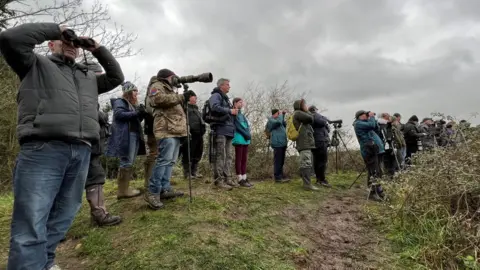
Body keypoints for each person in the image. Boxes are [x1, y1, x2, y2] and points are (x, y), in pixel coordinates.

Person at [0, 22, 124, 270]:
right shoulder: (34, 64)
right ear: (51, 44)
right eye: (64, 41)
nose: (71, 46)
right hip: (42, 149)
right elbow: (9, 38)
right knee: (32, 220)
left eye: (74, 44)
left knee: (64, 214)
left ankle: (44, 261)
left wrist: (97, 48)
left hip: (81, 151)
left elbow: (116, 77)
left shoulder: (87, 76)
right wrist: (57, 28)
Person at [144, 69, 191, 210]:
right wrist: (182, 97)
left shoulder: (169, 89)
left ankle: (165, 188)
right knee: (163, 161)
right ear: (167, 77)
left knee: (170, 161)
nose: (175, 79)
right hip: (165, 129)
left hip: (175, 130)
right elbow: (157, 100)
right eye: (173, 77)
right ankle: (152, 192)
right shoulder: (156, 85)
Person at [81, 61, 122, 227]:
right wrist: (101, 116)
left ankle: (96, 214)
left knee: (94, 177)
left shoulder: (90, 95)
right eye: (97, 77)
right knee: (94, 177)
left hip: (92, 146)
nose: (100, 81)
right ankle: (100, 216)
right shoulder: (80, 93)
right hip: (84, 145)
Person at [106, 81, 147, 200]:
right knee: (126, 161)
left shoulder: (131, 104)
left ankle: (124, 189)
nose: (136, 93)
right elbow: (119, 114)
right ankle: (123, 191)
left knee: (129, 161)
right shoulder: (120, 101)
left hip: (133, 134)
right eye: (134, 91)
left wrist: (141, 114)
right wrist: (136, 113)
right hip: (126, 135)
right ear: (128, 92)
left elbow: (134, 118)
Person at [209, 78, 237, 190]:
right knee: (220, 156)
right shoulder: (216, 96)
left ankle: (227, 178)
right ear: (221, 86)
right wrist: (230, 111)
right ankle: (218, 181)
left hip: (229, 131)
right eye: (227, 84)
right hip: (220, 130)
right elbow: (214, 107)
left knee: (229, 156)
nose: (229, 86)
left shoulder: (226, 99)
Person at [353, 110, 385, 201]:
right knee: (374, 172)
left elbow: (376, 128)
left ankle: (379, 190)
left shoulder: (366, 124)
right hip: (369, 151)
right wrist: (371, 117)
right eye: (365, 115)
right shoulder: (358, 124)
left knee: (378, 172)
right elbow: (371, 125)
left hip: (376, 150)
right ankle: (372, 193)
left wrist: (373, 119)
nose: (367, 116)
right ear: (360, 116)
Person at [292, 99, 319, 191]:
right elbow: (311, 118)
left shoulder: (299, 114)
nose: (306, 106)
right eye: (304, 105)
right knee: (306, 163)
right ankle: (307, 184)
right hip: (304, 142)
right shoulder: (298, 113)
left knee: (307, 162)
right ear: (300, 106)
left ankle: (307, 183)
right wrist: (307, 110)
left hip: (305, 142)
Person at [180, 91, 206, 179]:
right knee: (188, 153)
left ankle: (194, 172)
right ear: (189, 97)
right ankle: (187, 173)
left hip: (199, 135)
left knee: (198, 153)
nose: (196, 98)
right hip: (190, 135)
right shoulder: (185, 108)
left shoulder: (197, 110)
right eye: (194, 96)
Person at [232, 97, 253, 187]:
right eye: (240, 102)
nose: (242, 104)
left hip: (245, 139)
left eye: (242, 102)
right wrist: (246, 134)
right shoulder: (234, 113)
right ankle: (239, 178)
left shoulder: (242, 115)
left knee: (244, 158)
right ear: (235, 103)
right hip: (239, 138)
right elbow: (237, 126)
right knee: (239, 158)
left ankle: (244, 177)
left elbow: (247, 125)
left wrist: (248, 134)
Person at [308, 105, 331, 187]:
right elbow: (322, 122)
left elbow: (327, 128)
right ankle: (322, 179)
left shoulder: (309, 116)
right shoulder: (314, 115)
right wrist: (325, 119)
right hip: (320, 141)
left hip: (316, 141)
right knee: (322, 161)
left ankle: (318, 179)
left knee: (317, 161)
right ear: (314, 110)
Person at [143, 75, 159, 190]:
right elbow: (151, 110)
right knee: (153, 154)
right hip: (153, 129)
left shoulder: (149, 94)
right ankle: (149, 182)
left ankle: (151, 181)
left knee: (154, 154)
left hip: (153, 128)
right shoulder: (152, 94)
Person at [266, 109, 289, 183]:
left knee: (281, 161)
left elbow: (284, 125)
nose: (279, 115)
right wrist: (282, 114)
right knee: (278, 161)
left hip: (283, 143)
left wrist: (283, 117)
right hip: (277, 143)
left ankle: (281, 176)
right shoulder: (271, 120)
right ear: (275, 114)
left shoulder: (279, 119)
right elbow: (278, 122)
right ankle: (277, 178)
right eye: (278, 113)